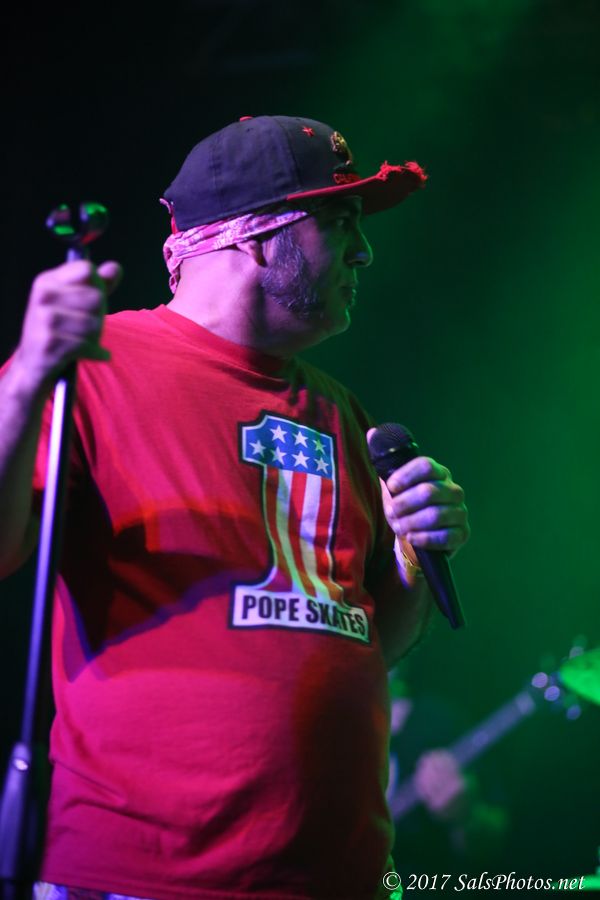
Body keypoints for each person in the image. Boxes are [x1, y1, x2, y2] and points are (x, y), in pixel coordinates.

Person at [0, 115, 470, 900]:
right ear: (255, 239)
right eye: (340, 222)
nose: (363, 252)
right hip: (143, 879)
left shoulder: (338, 411)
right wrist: (23, 384)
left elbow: (368, 643)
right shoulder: (97, 368)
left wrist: (414, 555)